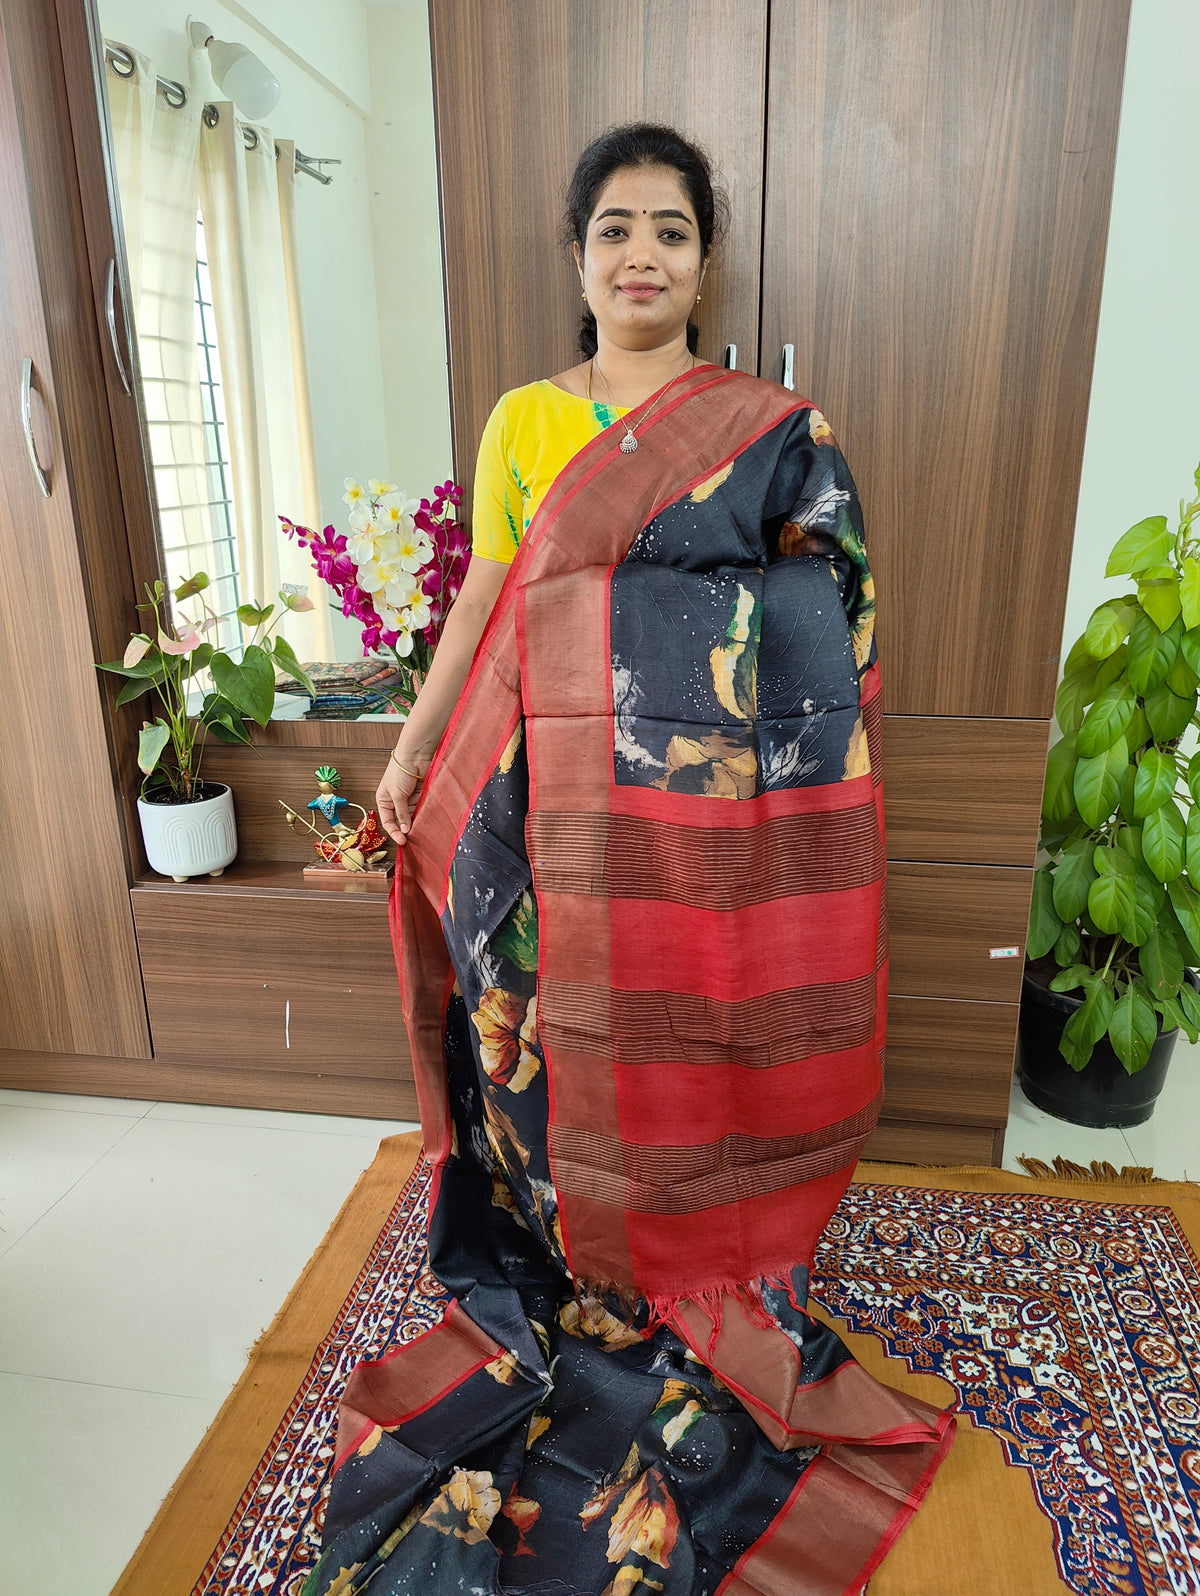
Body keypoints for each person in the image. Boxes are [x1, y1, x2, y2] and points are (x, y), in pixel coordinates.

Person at [310, 123, 953, 1596]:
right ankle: (582, 1265)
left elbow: (832, 618)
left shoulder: (776, 430)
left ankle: (686, 1268)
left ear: (704, 259)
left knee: (689, 1043)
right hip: (530, 816)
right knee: (534, 1048)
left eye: (670, 228)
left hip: (699, 833)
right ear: (579, 255)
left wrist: (650, 640)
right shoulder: (527, 420)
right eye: (614, 228)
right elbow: (483, 603)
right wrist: (411, 760)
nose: (642, 254)